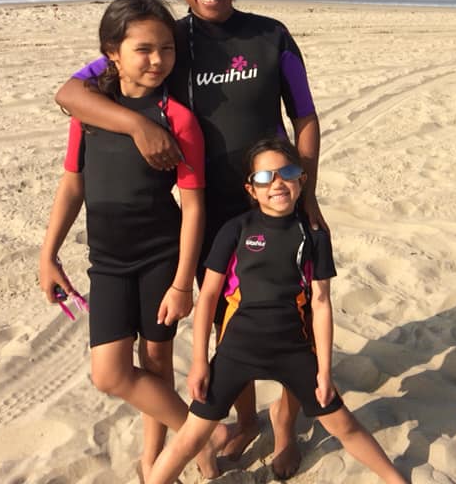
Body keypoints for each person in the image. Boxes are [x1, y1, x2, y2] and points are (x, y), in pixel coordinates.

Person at [55, 0, 323, 476]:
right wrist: (137, 127)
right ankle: (245, 419)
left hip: (275, 197)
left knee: (292, 312)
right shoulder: (168, 43)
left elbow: (304, 116)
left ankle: (284, 422)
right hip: (212, 211)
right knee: (231, 322)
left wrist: (307, 192)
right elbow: (73, 91)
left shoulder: (271, 36)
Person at [146, 137, 406, 484]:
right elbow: (207, 296)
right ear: (251, 189)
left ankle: (397, 480)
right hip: (236, 351)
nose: (277, 183)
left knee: (344, 425)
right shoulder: (236, 230)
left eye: (287, 173)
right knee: (190, 439)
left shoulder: (314, 236)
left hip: (293, 351)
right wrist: (198, 363)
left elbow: (321, 302)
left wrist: (324, 371)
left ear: (301, 179)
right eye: (265, 177)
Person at [38, 0, 218, 480]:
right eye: (144, 49)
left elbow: (193, 205)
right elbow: (72, 184)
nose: (157, 60)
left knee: (156, 363)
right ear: (111, 53)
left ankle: (154, 455)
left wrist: (182, 283)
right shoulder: (91, 112)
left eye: (166, 48)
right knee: (110, 373)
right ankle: (200, 434)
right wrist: (48, 254)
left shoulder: (177, 118)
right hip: (108, 262)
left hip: (161, 256)